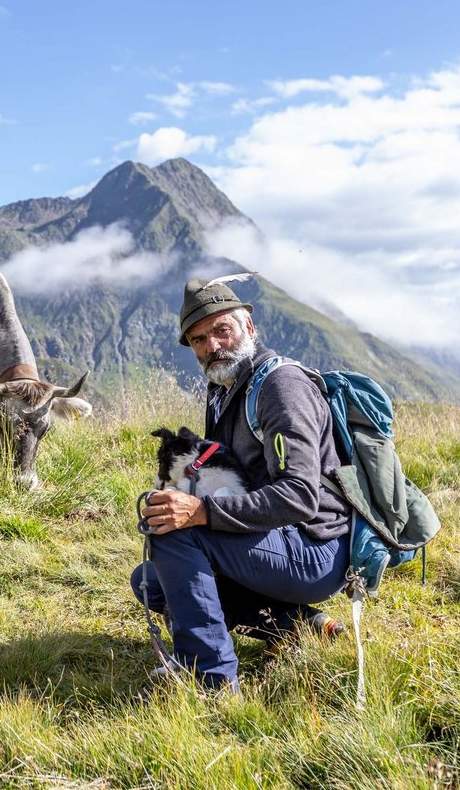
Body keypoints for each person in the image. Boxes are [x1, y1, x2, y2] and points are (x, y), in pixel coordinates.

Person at [130, 277, 352, 693]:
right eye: (198, 339)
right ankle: (295, 623)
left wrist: (200, 512)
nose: (211, 346)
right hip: (273, 537)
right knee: (151, 581)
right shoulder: (224, 389)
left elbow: (300, 496)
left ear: (249, 328)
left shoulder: (280, 389)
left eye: (221, 331)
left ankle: (210, 678)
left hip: (315, 547)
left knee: (177, 537)